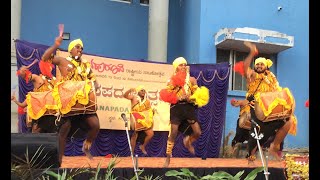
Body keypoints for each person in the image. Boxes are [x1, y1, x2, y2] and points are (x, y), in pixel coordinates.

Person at [41, 36, 100, 162]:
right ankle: (59, 161)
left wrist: (94, 87)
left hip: (82, 103)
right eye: (77, 47)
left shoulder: (86, 66)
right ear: (70, 50)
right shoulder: (63, 61)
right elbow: (45, 58)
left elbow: (94, 81)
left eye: (82, 48)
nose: (80, 50)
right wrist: (55, 45)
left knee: (95, 125)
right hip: (68, 102)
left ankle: (86, 146)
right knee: (64, 130)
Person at [242, 41, 294, 161]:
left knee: (288, 121)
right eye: (257, 64)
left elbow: (277, 93)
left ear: (266, 67)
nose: (259, 66)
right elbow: (245, 68)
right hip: (256, 108)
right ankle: (250, 157)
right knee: (257, 135)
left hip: (270, 109)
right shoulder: (253, 76)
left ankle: (274, 146)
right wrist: (251, 53)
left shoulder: (271, 78)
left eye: (262, 64)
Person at [160, 57, 209, 167]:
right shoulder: (172, 80)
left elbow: (197, 95)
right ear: (176, 67)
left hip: (188, 107)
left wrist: (190, 98)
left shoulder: (192, 80)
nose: (183, 66)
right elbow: (167, 94)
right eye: (180, 65)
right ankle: (168, 157)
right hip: (176, 107)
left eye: (184, 65)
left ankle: (188, 141)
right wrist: (178, 97)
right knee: (173, 132)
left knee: (197, 132)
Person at [12, 63, 58, 133]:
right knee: (37, 130)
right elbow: (22, 105)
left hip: (51, 111)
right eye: (47, 67)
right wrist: (23, 71)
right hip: (40, 110)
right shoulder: (37, 78)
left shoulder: (53, 80)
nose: (49, 69)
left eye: (50, 67)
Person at [123, 85, 154, 155]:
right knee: (134, 135)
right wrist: (129, 90)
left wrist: (152, 112)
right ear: (138, 91)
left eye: (144, 91)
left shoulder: (147, 101)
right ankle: (131, 153)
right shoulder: (134, 97)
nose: (143, 92)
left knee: (151, 134)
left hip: (143, 120)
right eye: (141, 90)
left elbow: (149, 111)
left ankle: (143, 146)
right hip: (135, 117)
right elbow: (124, 96)